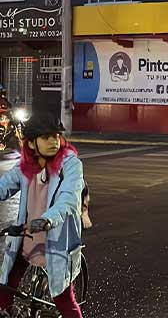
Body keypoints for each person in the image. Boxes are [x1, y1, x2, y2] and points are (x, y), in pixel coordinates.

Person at [0, 113, 84, 318]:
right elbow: (3, 187)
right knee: (4, 289)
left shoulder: (70, 165)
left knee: (64, 299)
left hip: (56, 239)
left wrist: (47, 220)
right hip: (27, 235)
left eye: (56, 136)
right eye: (46, 137)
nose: (53, 141)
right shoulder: (25, 167)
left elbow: (68, 199)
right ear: (30, 144)